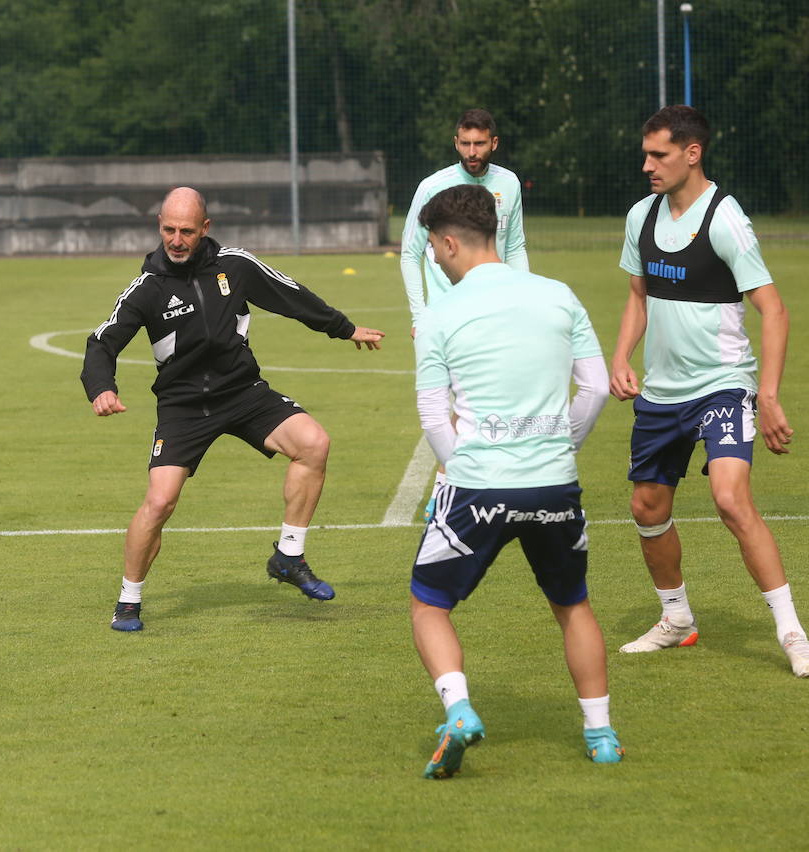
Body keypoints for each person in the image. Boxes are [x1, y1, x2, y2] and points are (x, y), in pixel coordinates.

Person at [81, 187, 385, 632]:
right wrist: (101, 389)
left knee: (313, 443)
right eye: (169, 229)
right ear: (159, 227)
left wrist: (343, 328)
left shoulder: (235, 266)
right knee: (160, 501)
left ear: (206, 228)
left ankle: (289, 555)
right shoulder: (147, 288)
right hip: (183, 406)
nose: (177, 239)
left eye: (187, 230)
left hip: (243, 392)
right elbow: (101, 341)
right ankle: (129, 599)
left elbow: (290, 295)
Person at [409, 184, 618, 779]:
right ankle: (600, 733)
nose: (434, 259)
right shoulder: (559, 296)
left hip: (478, 487)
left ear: (449, 243)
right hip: (555, 485)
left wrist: (460, 469)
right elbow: (597, 389)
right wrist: (558, 448)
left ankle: (459, 710)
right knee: (573, 605)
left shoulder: (440, 314)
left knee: (429, 604)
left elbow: (432, 415)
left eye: (432, 248)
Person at [609, 105, 809, 678]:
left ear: (692, 153)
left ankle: (792, 633)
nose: (648, 164)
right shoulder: (641, 217)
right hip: (661, 393)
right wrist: (621, 355)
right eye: (646, 153)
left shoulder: (725, 219)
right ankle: (676, 618)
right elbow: (638, 296)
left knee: (730, 499)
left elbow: (772, 309)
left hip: (722, 385)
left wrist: (769, 395)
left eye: (659, 154)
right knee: (646, 508)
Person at [399, 109, 529, 520]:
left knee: (486, 401)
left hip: (497, 313)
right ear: (455, 143)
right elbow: (409, 252)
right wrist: (420, 315)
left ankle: (465, 486)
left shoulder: (508, 184)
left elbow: (516, 245)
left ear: (494, 142)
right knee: (455, 404)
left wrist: (521, 298)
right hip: (447, 317)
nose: (472, 152)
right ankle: (447, 490)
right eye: (464, 144)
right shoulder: (433, 187)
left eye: (479, 143)